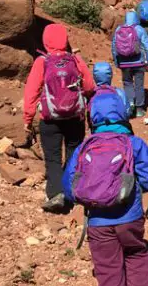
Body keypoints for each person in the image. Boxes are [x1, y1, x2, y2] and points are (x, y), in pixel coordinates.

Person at [63, 63, 148, 286]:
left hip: (97, 222)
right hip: (130, 216)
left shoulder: (85, 147)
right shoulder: (133, 143)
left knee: (107, 269)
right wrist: (132, 187)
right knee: (136, 256)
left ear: (92, 115)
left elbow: (69, 188)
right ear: (122, 112)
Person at [23, 23, 95, 212]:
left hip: (50, 118)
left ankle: (56, 194)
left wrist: (28, 119)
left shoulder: (42, 62)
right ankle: (72, 193)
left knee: (53, 158)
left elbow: (31, 91)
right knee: (73, 155)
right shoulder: (75, 60)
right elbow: (89, 86)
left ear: (46, 41)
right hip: (74, 117)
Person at [112, 11, 148, 118]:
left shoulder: (118, 29)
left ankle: (130, 105)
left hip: (124, 63)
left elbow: (114, 47)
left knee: (127, 83)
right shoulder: (139, 29)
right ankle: (139, 110)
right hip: (139, 63)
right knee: (139, 85)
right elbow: (147, 47)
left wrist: (117, 62)